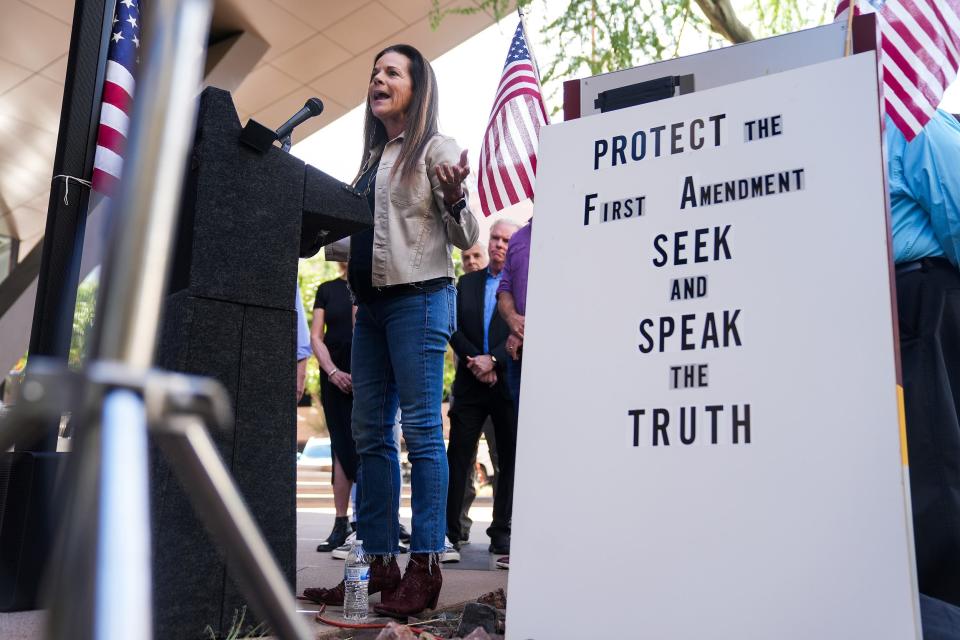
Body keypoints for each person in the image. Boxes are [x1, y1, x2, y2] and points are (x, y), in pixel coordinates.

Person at [302, 43, 478, 618]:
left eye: (392, 72)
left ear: (416, 87)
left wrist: (454, 198)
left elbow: (465, 234)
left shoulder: (436, 148)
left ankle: (425, 566)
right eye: (374, 71)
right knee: (369, 435)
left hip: (421, 303)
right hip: (371, 312)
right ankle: (377, 564)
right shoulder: (372, 161)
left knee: (423, 433)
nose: (378, 78)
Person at [886, 109, 960, 607]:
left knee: (935, 470)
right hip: (908, 303)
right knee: (926, 476)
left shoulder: (908, 121)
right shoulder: (898, 121)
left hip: (922, 298)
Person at [446, 221, 519, 556]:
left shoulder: (522, 286)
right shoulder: (468, 282)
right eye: (495, 238)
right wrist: (476, 360)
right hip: (470, 384)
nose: (499, 244)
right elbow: (453, 326)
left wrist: (495, 361)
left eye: (507, 240)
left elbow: (522, 330)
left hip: (507, 383)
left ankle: (501, 531)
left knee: (507, 460)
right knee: (458, 457)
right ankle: (450, 531)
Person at [310, 263, 359, 553]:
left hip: (366, 371)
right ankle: (341, 522)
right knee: (340, 445)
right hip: (333, 375)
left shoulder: (370, 285)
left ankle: (374, 517)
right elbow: (316, 336)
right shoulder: (327, 289)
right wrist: (332, 372)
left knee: (370, 442)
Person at [494, 217, 532, 570]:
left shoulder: (570, 227)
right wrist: (513, 321)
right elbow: (504, 288)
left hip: (560, 352)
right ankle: (526, 540)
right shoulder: (520, 238)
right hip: (522, 357)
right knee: (528, 446)